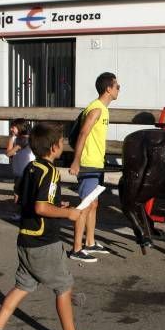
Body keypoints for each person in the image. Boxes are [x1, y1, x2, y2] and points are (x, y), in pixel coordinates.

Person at [0, 122, 104, 330]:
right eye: (62, 143)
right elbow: (40, 207)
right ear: (55, 147)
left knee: (22, 286)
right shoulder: (51, 172)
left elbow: (24, 199)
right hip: (44, 242)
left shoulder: (31, 167)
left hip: (26, 238)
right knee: (63, 286)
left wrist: (57, 205)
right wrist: (68, 213)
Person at [68, 72, 120, 262]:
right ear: (108, 88)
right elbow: (82, 134)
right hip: (88, 163)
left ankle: (90, 242)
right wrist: (76, 161)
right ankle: (76, 248)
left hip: (97, 163)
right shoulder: (96, 109)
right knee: (84, 205)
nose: (118, 90)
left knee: (94, 204)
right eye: (117, 86)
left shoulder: (103, 109)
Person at [6, 118, 35, 221]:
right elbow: (8, 153)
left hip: (27, 171)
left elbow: (9, 153)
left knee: (23, 192)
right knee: (18, 192)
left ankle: (22, 213)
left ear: (19, 127)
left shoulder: (26, 139)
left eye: (13, 127)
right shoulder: (15, 139)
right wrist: (12, 138)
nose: (11, 129)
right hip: (18, 171)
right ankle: (20, 213)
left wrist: (13, 140)